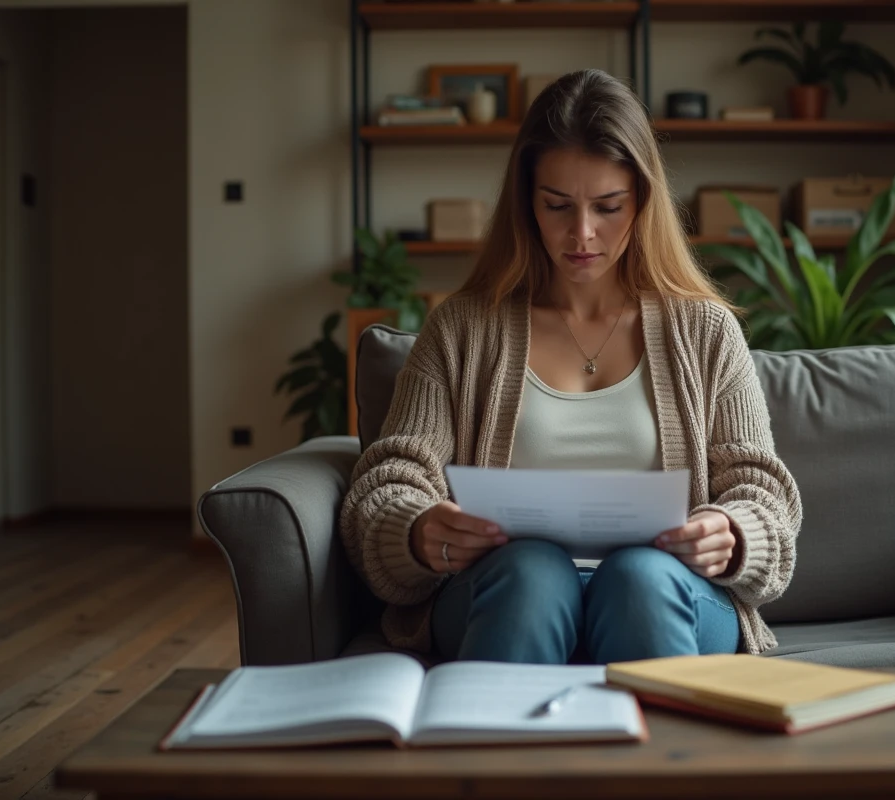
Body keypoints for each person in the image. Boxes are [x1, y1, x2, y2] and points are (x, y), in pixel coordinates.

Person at [339, 68, 802, 665]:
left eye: (608, 207)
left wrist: (733, 534)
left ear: (642, 202)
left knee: (639, 578)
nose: (582, 234)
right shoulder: (461, 328)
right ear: (526, 204)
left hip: (668, 595)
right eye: (557, 205)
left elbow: (763, 492)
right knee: (533, 572)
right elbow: (390, 475)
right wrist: (416, 529)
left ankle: (665, 757)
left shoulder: (706, 332)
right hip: (506, 593)